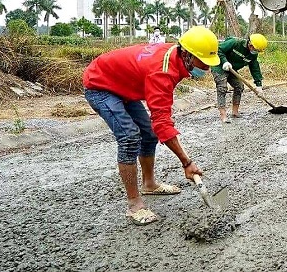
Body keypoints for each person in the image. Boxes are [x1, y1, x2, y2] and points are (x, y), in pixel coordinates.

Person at [83, 26, 220, 225]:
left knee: (147, 134)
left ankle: (149, 184)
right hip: (101, 85)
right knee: (130, 137)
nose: (207, 69)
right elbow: (162, 121)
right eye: (204, 63)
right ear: (187, 55)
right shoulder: (162, 71)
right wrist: (186, 162)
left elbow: (158, 118)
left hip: (124, 85)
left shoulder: (177, 55)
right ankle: (134, 204)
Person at [211, 33, 267, 123]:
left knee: (239, 86)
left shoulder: (253, 55)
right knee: (222, 87)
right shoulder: (235, 42)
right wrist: (224, 61)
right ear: (250, 43)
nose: (256, 51)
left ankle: (235, 112)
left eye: (258, 51)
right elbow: (219, 49)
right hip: (219, 66)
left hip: (232, 69)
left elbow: (254, 68)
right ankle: (223, 115)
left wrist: (259, 85)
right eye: (255, 49)